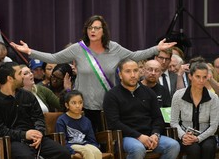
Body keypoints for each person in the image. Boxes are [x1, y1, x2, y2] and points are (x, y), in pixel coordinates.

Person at [10, 15, 176, 133]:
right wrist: (30, 51)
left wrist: (156, 49)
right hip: (84, 106)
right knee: (91, 143)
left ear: (103, 31)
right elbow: (54, 57)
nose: (93, 31)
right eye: (90, 28)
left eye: (97, 28)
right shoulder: (78, 49)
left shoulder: (114, 48)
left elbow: (134, 56)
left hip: (110, 105)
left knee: (111, 143)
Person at [0, 61, 70, 159]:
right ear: (10, 78)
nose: (23, 76)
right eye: (20, 74)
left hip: (36, 137)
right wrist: (24, 135)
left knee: (63, 153)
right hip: (13, 141)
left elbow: (38, 118)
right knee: (25, 156)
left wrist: (39, 132)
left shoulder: (27, 95)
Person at [103, 59, 180, 159]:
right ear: (120, 74)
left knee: (173, 145)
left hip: (150, 135)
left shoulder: (148, 93)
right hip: (126, 137)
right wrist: (139, 136)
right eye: (128, 71)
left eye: (135, 71)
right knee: (138, 149)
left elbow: (158, 118)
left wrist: (155, 134)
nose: (132, 75)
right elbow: (114, 123)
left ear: (139, 72)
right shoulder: (112, 95)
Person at [170, 60, 219, 159]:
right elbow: (174, 122)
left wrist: (198, 138)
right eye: (198, 76)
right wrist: (183, 136)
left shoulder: (213, 98)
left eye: (204, 77)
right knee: (194, 150)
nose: (201, 80)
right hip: (185, 135)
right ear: (190, 76)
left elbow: (214, 125)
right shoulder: (178, 96)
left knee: (209, 148)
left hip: (206, 134)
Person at [56, 90, 114, 159]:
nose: (78, 106)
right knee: (86, 150)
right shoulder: (62, 120)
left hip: (85, 146)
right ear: (67, 105)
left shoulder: (86, 121)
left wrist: (93, 147)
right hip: (71, 146)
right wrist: (73, 152)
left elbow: (92, 140)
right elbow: (62, 142)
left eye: (80, 102)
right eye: (74, 103)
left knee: (96, 151)